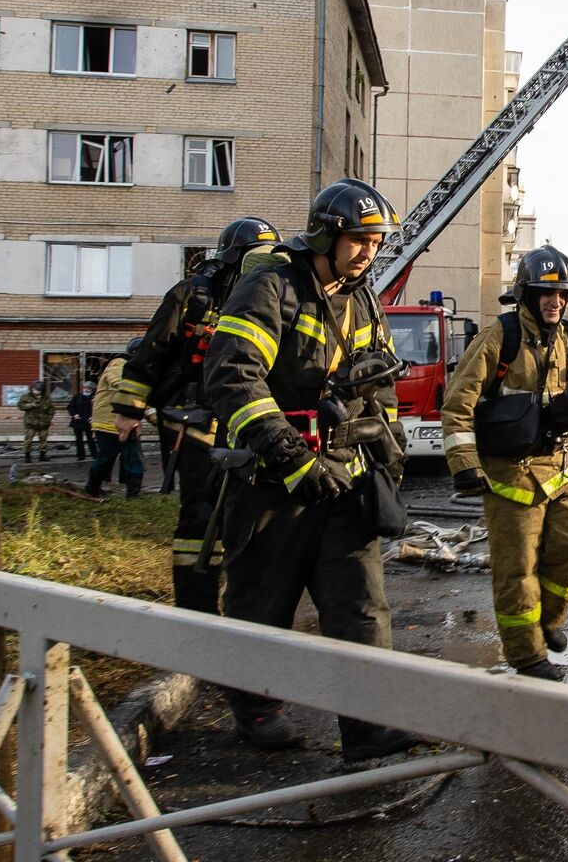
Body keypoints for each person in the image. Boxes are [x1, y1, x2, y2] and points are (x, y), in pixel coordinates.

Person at [203, 179, 415, 758]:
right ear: (326, 233)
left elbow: (378, 385)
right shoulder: (271, 285)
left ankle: (367, 725)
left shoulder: (363, 299)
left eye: (376, 241)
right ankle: (257, 711)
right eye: (359, 239)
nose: (369, 251)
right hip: (273, 484)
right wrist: (292, 458)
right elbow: (233, 376)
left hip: (343, 477)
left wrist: (390, 452)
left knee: (361, 605)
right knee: (262, 603)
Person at [441, 246, 568, 681]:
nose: (554, 302)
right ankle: (528, 656)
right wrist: (464, 462)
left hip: (561, 467)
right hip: (510, 475)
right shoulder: (498, 338)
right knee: (517, 570)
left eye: (561, 295)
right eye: (545, 292)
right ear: (525, 294)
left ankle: (550, 621)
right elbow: (457, 402)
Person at [110, 217, 279, 615]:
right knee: (202, 510)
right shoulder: (193, 296)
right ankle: (196, 605)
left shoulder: (265, 297)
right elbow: (152, 351)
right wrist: (128, 409)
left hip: (244, 417)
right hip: (194, 418)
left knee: (246, 507)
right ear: (235, 258)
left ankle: (241, 597)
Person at [86, 340, 146, 499]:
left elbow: (139, 397)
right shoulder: (117, 366)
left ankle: (133, 495)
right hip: (107, 423)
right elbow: (125, 387)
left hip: (129, 422)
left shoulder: (136, 370)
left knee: (134, 459)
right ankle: (92, 487)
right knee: (106, 459)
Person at [18, 380, 56, 462]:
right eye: (34, 390)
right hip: (31, 423)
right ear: (32, 389)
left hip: (43, 423)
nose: (36, 392)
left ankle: (42, 455)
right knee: (28, 440)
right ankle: (27, 456)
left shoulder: (46, 398)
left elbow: (52, 409)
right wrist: (30, 405)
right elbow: (20, 406)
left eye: (38, 390)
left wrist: (48, 419)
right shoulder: (26, 396)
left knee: (43, 440)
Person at [68, 382, 95, 460]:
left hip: (89, 421)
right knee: (79, 439)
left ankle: (94, 454)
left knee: (91, 439)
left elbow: (99, 409)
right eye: (85, 388)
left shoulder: (94, 398)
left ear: (92, 390)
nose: (86, 390)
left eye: (89, 388)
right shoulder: (77, 397)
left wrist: (94, 417)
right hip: (77, 421)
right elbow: (70, 407)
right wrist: (74, 414)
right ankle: (80, 455)